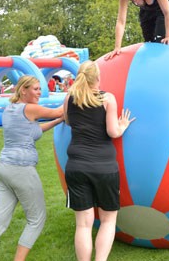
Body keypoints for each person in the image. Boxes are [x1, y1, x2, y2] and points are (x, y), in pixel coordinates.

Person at [0, 75, 64, 261]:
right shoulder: (30, 109)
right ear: (23, 89)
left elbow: (34, 131)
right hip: (21, 169)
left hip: (4, 168)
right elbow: (59, 111)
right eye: (35, 89)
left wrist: (58, 122)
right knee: (37, 219)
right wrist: (77, 93)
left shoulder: (10, 109)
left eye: (40, 89)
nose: (39, 92)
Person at [63, 60, 135, 261]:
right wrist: (123, 125)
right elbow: (113, 132)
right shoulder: (107, 98)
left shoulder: (70, 97)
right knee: (108, 220)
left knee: (83, 224)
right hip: (104, 167)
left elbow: (68, 121)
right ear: (98, 78)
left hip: (76, 166)